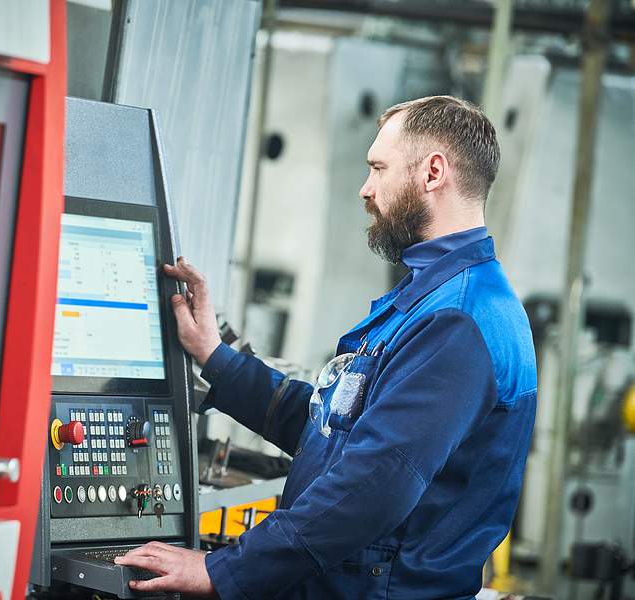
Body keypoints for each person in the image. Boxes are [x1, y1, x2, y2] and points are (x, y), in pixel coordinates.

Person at [114, 95, 538, 599]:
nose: (366, 189)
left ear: (432, 173)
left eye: (378, 168)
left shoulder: (459, 320)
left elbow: (373, 486)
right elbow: (330, 429)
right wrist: (214, 356)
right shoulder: (436, 301)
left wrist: (222, 571)